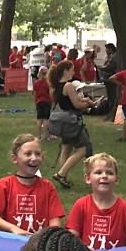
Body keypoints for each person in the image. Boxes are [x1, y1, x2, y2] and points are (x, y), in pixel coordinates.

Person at [0, 134, 65, 235]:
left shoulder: (48, 187)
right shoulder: (5, 185)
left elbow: (55, 221)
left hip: (37, 244)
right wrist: (13, 229)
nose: (34, 158)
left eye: (38, 154)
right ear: (14, 159)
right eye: (28, 154)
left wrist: (48, 236)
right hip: (10, 241)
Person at [65, 153, 126, 251]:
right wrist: (80, 250)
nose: (104, 176)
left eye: (109, 173)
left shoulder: (125, 209)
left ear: (116, 179)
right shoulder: (81, 205)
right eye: (98, 172)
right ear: (87, 178)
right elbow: (71, 237)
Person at [46, 61, 96, 189]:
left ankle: (63, 177)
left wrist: (84, 100)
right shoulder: (68, 86)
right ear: (65, 71)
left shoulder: (56, 86)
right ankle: (61, 174)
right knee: (82, 150)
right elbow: (77, 105)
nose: (74, 72)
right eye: (72, 70)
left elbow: (68, 102)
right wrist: (89, 104)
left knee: (66, 149)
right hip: (72, 122)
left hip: (63, 122)